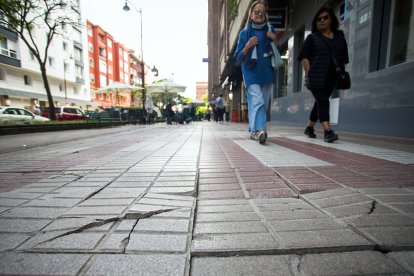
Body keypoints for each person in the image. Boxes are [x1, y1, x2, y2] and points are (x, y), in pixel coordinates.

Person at [297, 6, 349, 143]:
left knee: (320, 102)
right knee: (323, 101)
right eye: (318, 19)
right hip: (316, 77)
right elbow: (305, 58)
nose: (322, 21)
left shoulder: (339, 36)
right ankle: (327, 131)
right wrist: (309, 75)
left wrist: (341, 75)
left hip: (332, 78)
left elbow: (343, 58)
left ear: (331, 19)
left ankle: (309, 128)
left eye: (325, 17)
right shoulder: (312, 38)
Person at [234, 0, 277, 144]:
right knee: (257, 100)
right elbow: (238, 58)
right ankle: (260, 130)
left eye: (262, 12)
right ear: (251, 15)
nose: (259, 14)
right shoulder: (244, 33)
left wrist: (273, 39)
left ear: (265, 14)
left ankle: (254, 131)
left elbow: (274, 50)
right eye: (256, 12)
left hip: (267, 71)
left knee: (261, 103)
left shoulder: (270, 30)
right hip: (250, 71)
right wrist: (247, 46)